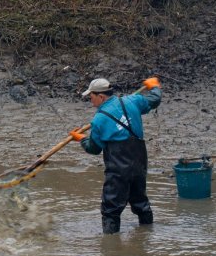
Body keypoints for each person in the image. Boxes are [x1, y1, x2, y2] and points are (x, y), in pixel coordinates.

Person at [69, 76, 162, 234]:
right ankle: (147, 234)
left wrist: (82, 139)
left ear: (101, 96)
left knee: (110, 210)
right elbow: (154, 100)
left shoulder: (99, 120)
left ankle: (111, 248)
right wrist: (154, 86)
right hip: (139, 163)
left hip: (118, 169)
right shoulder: (132, 100)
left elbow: (94, 148)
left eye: (91, 97)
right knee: (141, 203)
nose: (90, 101)